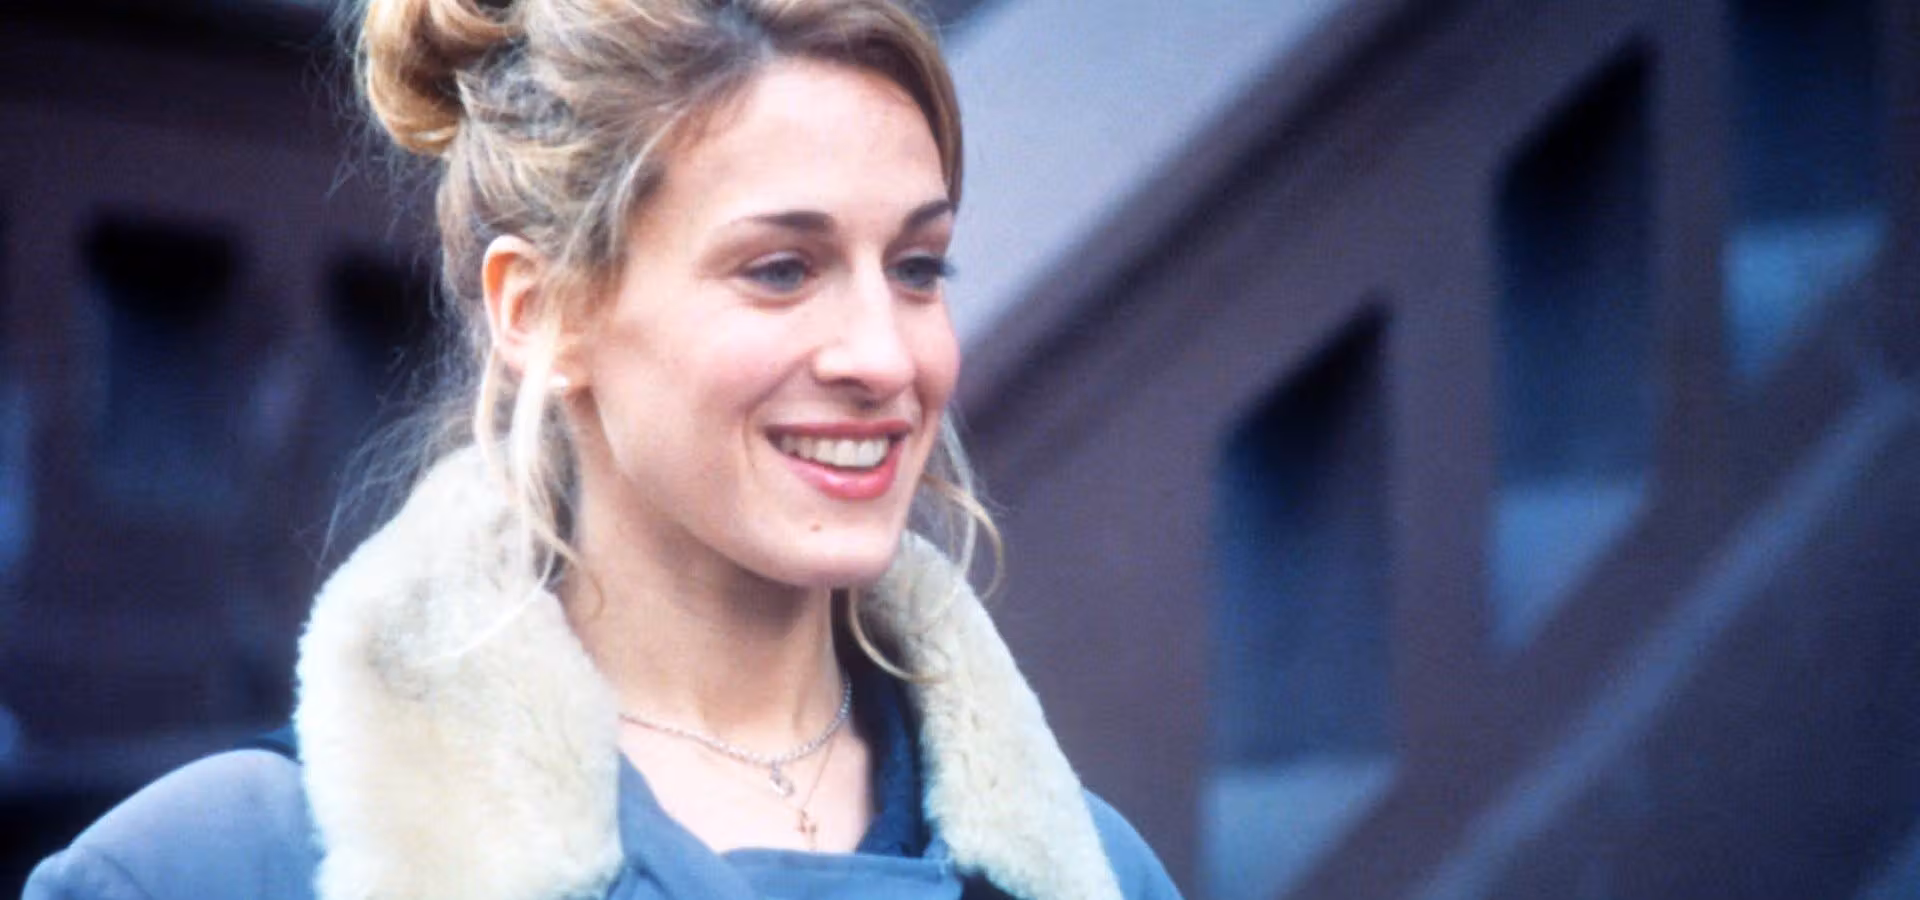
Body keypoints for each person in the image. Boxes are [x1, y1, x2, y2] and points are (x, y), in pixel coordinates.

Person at [25, 0, 1181, 897]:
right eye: (782, 269)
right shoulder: (216, 869)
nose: (885, 356)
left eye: (918, 268)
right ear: (541, 312)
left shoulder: (1095, 873)